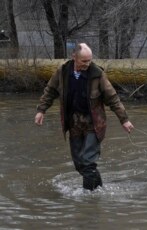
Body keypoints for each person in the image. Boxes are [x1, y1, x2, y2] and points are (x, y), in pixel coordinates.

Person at [34, 43, 134, 191]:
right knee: (79, 164)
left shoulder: (97, 74)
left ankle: (87, 199)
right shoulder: (62, 71)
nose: (88, 64)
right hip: (73, 123)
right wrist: (41, 110)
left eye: (90, 60)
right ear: (74, 57)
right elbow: (50, 91)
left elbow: (113, 98)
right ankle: (99, 189)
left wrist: (124, 120)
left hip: (93, 123)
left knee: (88, 162)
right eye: (84, 61)